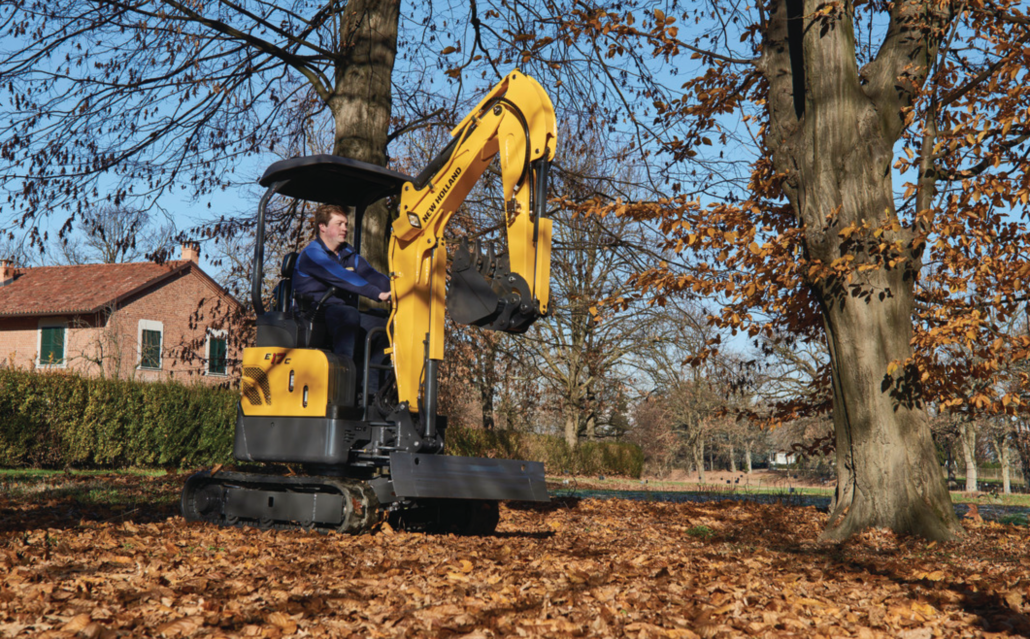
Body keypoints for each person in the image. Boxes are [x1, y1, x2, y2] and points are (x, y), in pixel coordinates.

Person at [293, 203, 391, 396]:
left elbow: (371, 274)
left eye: (346, 224)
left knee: (383, 324)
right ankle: (341, 388)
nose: (345, 228)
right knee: (347, 315)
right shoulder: (312, 255)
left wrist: (398, 289)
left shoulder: (348, 254)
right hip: (313, 314)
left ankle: (370, 393)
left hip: (343, 313)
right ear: (323, 227)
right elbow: (342, 276)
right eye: (339, 224)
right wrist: (377, 294)